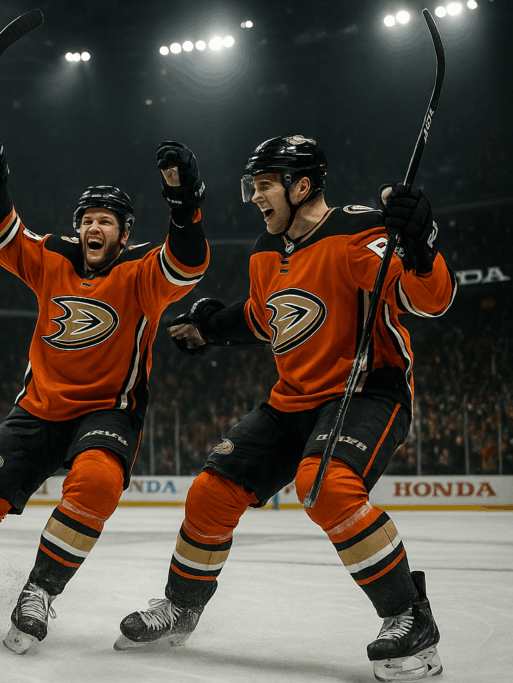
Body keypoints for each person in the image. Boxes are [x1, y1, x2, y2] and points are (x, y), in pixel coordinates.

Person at [115, 136, 455, 682]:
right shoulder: (265, 250)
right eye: (253, 185)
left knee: (328, 486)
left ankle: (410, 620)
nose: (254, 196)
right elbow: (265, 317)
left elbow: (431, 299)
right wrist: (209, 328)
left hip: (365, 389)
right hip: (292, 400)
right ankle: (181, 607)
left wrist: (420, 245)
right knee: (210, 491)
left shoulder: (359, 234)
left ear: (301, 186)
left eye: (264, 185)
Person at [0, 132, 209, 654]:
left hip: (108, 409)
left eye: (106, 220)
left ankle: (39, 591)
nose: (93, 226)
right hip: (37, 407)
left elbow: (188, 262)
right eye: (87, 218)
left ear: (125, 235)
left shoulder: (143, 272)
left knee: (98, 482)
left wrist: (185, 200)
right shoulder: (53, 256)